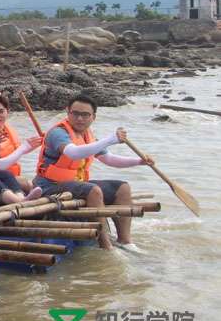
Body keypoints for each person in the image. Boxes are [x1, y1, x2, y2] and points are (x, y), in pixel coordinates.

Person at [33, 94, 152, 252]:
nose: (79, 119)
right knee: (93, 190)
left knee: (123, 187)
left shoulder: (88, 135)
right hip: (50, 186)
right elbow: (74, 153)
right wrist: (110, 139)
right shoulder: (58, 133)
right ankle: (106, 246)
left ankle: (125, 241)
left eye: (85, 115)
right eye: (75, 113)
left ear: (93, 117)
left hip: (76, 184)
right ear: (67, 112)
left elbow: (109, 159)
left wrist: (138, 162)